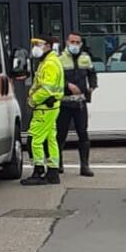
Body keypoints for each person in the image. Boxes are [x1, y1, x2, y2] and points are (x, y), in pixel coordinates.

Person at [21, 36, 64, 186]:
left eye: (38, 44)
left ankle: (38, 171)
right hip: (50, 107)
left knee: (35, 140)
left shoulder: (49, 63)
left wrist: (32, 100)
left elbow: (46, 88)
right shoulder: (48, 61)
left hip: (44, 107)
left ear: (48, 45)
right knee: (51, 139)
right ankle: (52, 172)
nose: (35, 47)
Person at [56, 31, 98, 177]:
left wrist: (92, 86)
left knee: (83, 134)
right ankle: (58, 163)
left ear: (81, 44)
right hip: (64, 103)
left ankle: (85, 166)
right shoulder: (59, 58)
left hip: (80, 103)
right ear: (67, 42)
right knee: (60, 135)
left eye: (77, 42)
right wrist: (68, 86)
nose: (74, 45)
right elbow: (55, 78)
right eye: (72, 42)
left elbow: (92, 73)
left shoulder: (85, 58)